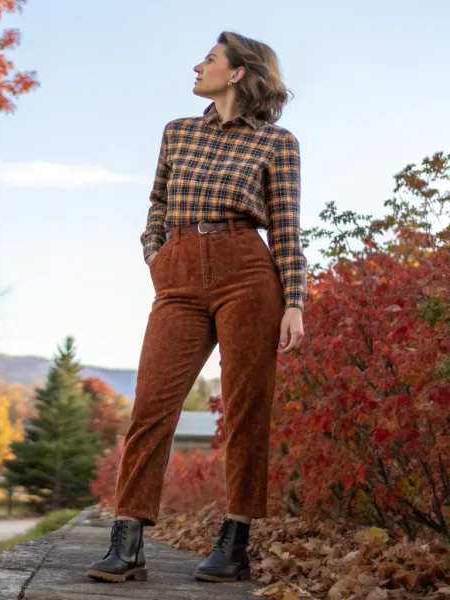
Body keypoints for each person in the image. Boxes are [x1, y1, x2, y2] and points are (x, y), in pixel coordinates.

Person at [86, 31, 307, 584]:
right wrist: (155, 253)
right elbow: (158, 201)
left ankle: (234, 544)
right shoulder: (178, 132)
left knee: (246, 407)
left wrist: (294, 301)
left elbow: (286, 227)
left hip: (247, 270)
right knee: (151, 404)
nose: (197, 66)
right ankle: (127, 540)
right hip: (179, 271)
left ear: (237, 72)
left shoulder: (278, 143)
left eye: (209, 59)